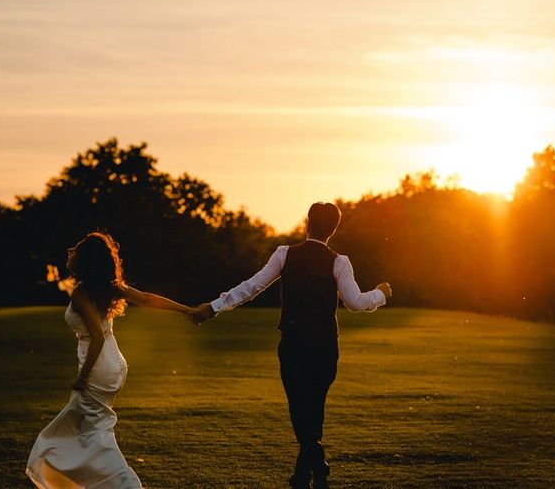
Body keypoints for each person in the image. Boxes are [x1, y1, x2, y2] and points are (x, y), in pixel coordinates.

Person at [190, 202, 392, 488]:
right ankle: (311, 467)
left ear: (307, 223)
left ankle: (309, 466)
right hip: (324, 347)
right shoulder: (339, 261)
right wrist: (381, 294)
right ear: (333, 230)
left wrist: (214, 306)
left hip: (294, 343)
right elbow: (356, 302)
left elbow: (252, 287)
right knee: (312, 407)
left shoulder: (285, 254)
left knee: (301, 408)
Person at [27, 232, 194, 489]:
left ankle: (125, 483)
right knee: (87, 430)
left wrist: (82, 377)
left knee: (87, 432)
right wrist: (187, 310)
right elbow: (147, 299)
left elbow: (97, 337)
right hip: (112, 365)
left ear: (85, 260)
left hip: (98, 368)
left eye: (77, 249)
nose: (70, 250)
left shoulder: (81, 293)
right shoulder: (108, 287)